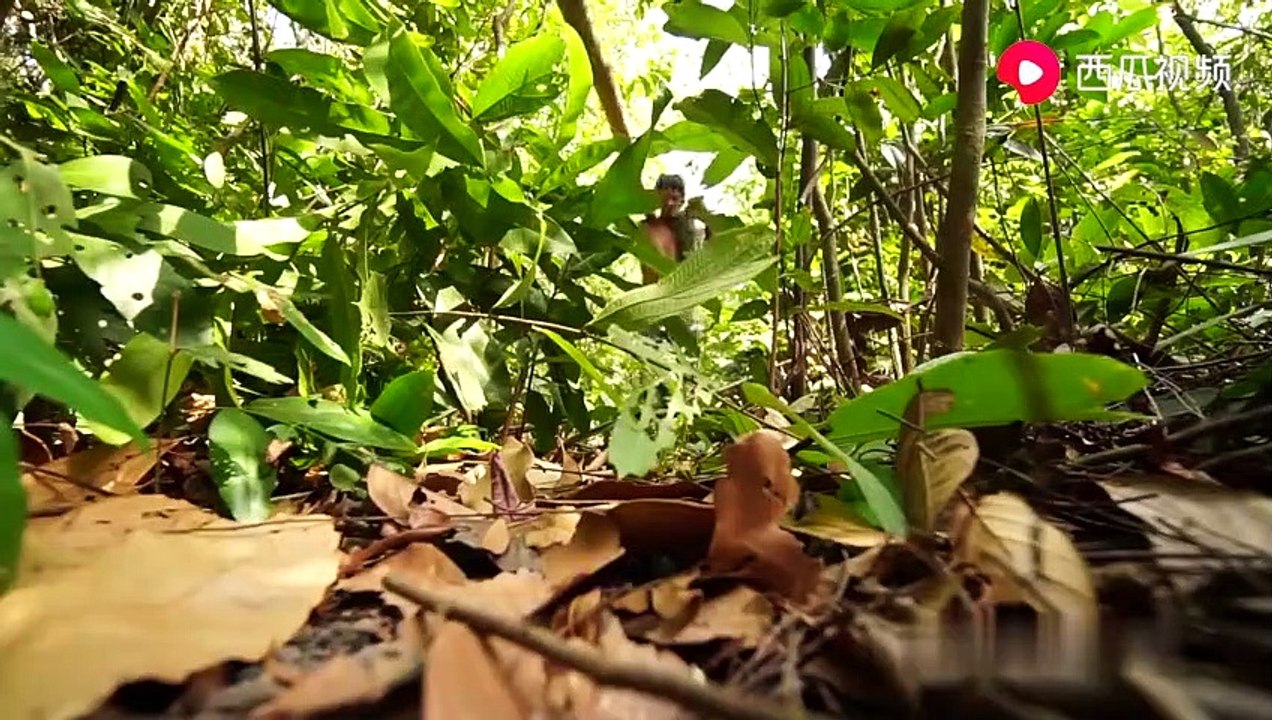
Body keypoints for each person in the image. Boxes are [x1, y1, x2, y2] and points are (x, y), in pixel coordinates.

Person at [640, 174, 711, 284]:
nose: (669, 204)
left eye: (674, 199)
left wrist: (705, 216)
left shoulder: (692, 225)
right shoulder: (649, 226)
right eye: (665, 199)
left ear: (682, 201)